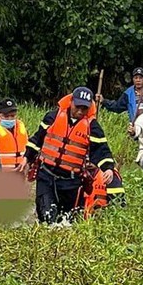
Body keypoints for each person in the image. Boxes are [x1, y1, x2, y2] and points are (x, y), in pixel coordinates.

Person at [25, 87, 117, 224]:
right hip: (46, 175)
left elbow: (101, 151)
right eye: (77, 106)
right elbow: (37, 139)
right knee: (46, 216)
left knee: (67, 220)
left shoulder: (93, 127)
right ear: (71, 101)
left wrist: (108, 168)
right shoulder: (52, 117)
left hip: (71, 181)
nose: (79, 111)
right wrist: (26, 158)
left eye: (84, 109)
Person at [98, 67, 143, 137]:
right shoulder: (128, 93)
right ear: (133, 79)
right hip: (136, 128)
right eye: (136, 78)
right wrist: (104, 101)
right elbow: (117, 107)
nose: (138, 80)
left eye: (140, 78)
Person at [0, 98, 29, 172]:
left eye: (13, 116)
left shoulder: (21, 128)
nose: (9, 119)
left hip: (21, 174)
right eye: (6, 116)